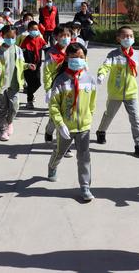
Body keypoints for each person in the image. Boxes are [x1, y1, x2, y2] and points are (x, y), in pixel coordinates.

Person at [47, 42, 97, 202]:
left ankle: (85, 186)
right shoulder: (61, 80)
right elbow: (53, 105)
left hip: (84, 127)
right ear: (67, 58)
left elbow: (92, 102)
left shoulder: (89, 79)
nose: (78, 60)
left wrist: (89, 117)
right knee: (60, 152)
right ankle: (52, 166)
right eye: (74, 57)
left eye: (81, 57)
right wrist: (60, 124)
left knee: (84, 157)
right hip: (66, 127)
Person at [95, 26, 139, 158]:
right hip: (115, 93)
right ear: (118, 39)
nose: (128, 38)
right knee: (109, 115)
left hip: (131, 93)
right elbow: (106, 65)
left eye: (131, 36)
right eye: (125, 36)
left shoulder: (136, 55)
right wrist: (101, 74)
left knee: (136, 119)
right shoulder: (113, 54)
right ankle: (101, 131)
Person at [0, 25, 36, 141]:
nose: (10, 39)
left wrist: (28, 66)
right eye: (8, 36)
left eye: (13, 36)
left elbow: (21, 65)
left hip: (14, 85)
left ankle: (10, 121)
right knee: (2, 109)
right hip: (2, 85)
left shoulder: (18, 50)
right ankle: (2, 131)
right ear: (3, 36)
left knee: (14, 107)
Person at [42, 26, 72, 152]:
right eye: (62, 36)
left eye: (68, 36)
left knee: (68, 116)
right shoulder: (51, 53)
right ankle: (49, 131)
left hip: (70, 88)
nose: (65, 38)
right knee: (55, 118)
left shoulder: (74, 50)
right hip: (56, 88)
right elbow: (47, 72)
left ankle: (65, 145)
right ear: (56, 37)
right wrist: (48, 89)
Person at [19, 21, 46, 109]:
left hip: (37, 65)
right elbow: (21, 54)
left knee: (38, 83)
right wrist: (26, 65)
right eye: (33, 29)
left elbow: (45, 47)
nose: (35, 31)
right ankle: (29, 101)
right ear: (28, 30)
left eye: (36, 29)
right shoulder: (25, 41)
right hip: (28, 66)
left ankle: (30, 93)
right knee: (30, 84)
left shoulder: (39, 39)